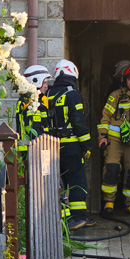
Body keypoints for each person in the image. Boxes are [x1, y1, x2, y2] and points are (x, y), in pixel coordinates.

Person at [47, 59, 94, 230]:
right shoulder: (72, 94)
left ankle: (63, 219)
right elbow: (78, 122)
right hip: (72, 146)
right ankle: (78, 218)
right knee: (77, 181)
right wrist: (87, 145)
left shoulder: (47, 94)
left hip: (52, 146)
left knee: (60, 182)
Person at [98, 63, 130, 216]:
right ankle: (109, 202)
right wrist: (102, 136)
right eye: (129, 79)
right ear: (124, 80)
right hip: (115, 141)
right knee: (111, 170)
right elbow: (105, 116)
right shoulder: (115, 95)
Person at [15, 65, 52, 159]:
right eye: (44, 82)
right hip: (32, 149)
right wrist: (42, 144)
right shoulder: (28, 102)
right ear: (36, 81)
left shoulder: (37, 101)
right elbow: (32, 127)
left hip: (33, 148)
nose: (46, 86)